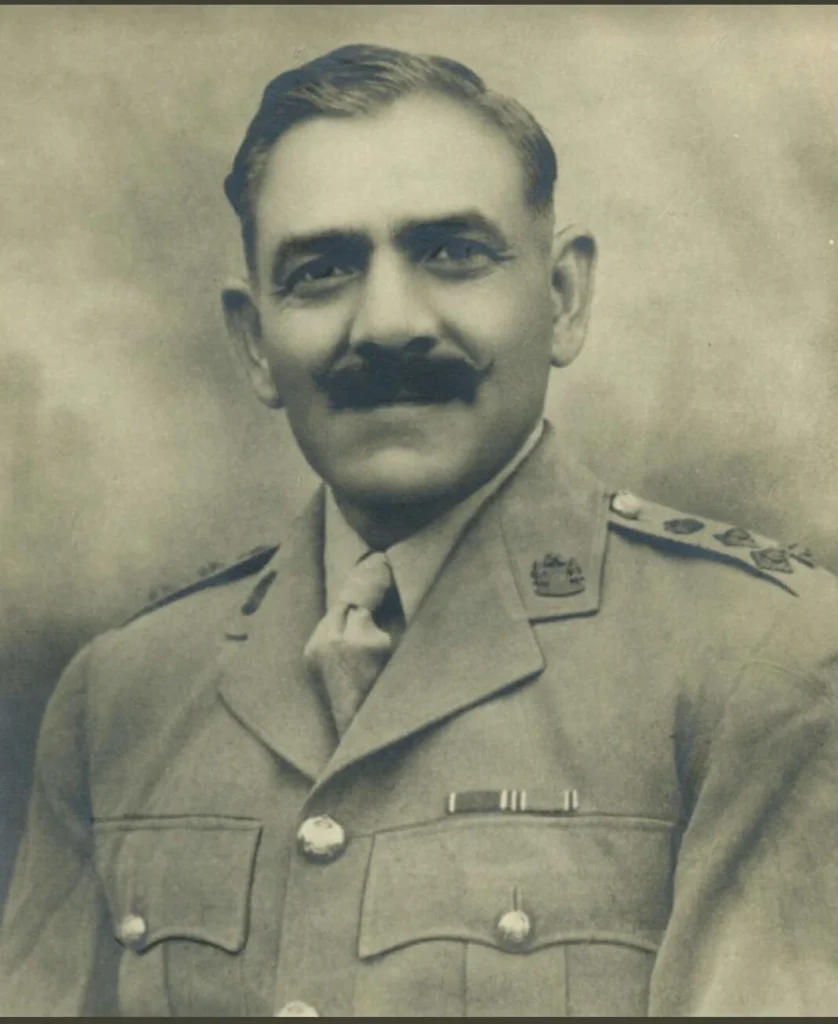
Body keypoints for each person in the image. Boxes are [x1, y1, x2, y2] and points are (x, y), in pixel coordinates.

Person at [1, 43, 836, 1018]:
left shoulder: (762, 663)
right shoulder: (122, 695)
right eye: (320, 270)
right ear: (254, 341)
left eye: (450, 253)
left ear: (562, 298)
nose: (388, 323)